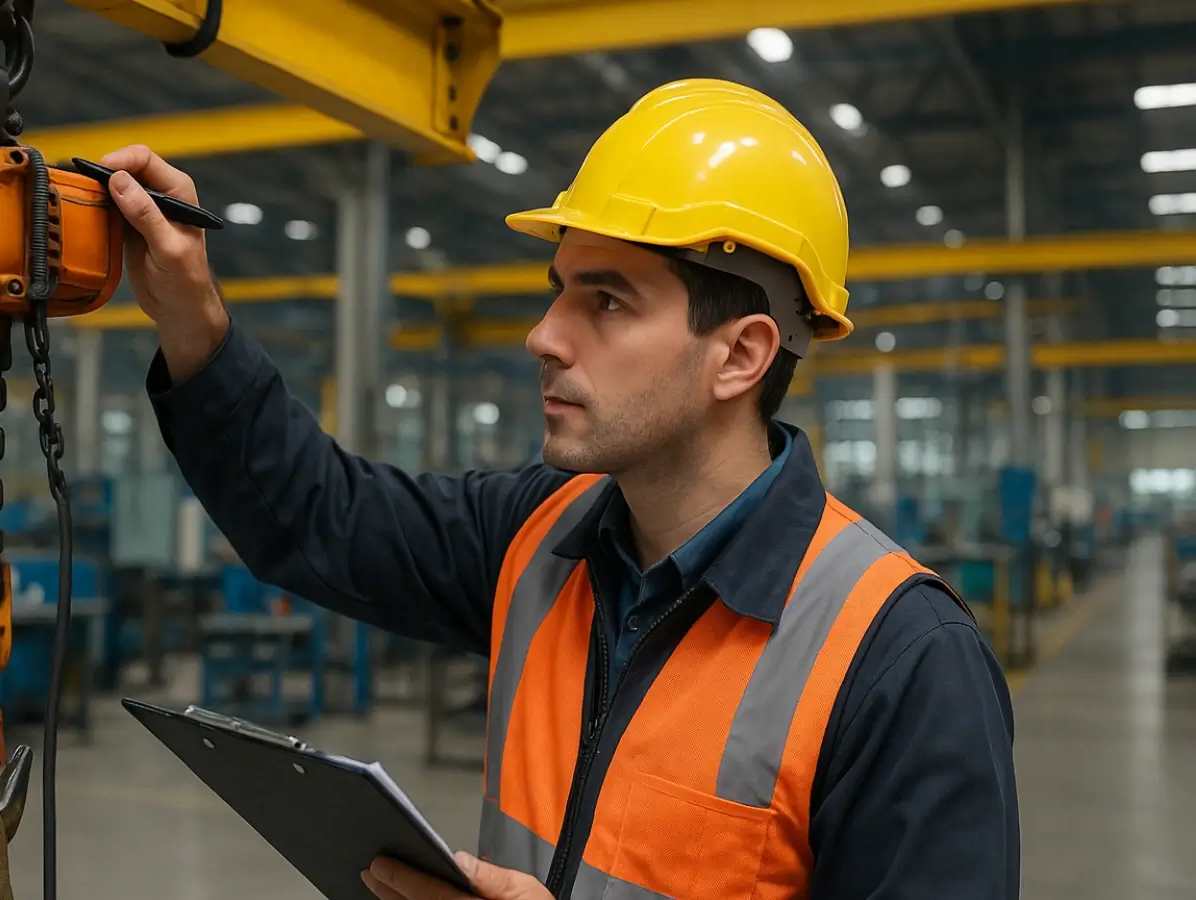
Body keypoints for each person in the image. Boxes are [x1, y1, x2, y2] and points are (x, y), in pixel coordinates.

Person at [98, 78, 1019, 900]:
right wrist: (192, 314)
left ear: (740, 355)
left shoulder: (900, 662)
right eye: (558, 290)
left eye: (606, 301)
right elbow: (313, 515)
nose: (544, 334)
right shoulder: (535, 538)